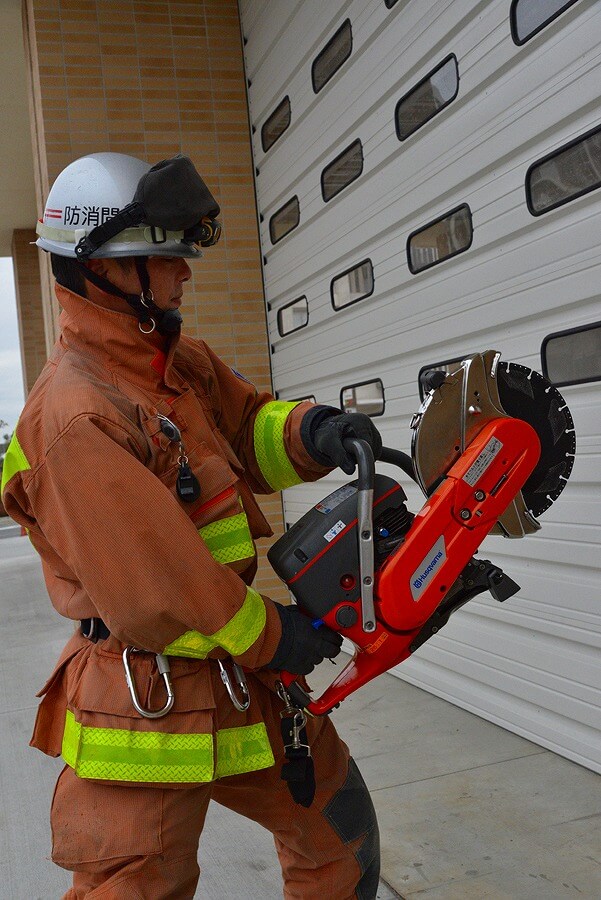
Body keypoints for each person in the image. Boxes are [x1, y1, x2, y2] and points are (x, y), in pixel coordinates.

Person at [1, 152, 383, 899]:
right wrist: (275, 637)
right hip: (139, 706)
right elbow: (154, 589)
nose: (184, 272)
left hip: (234, 682)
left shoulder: (175, 365)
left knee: (336, 834)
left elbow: (247, 431)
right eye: (164, 255)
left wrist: (316, 431)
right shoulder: (76, 416)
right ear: (104, 271)